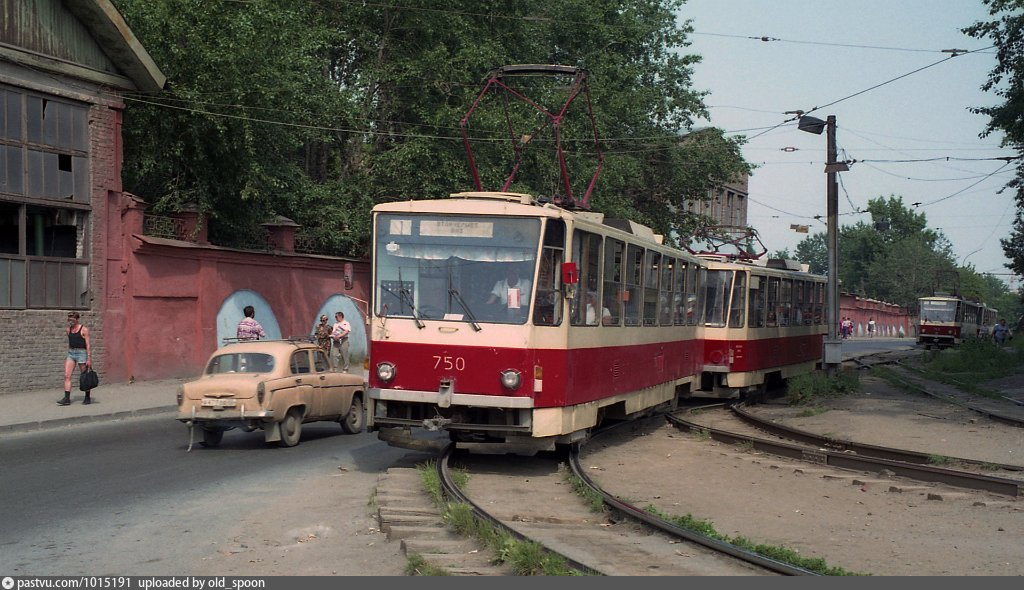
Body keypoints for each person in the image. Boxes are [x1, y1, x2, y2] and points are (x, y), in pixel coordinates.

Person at [59, 311, 92, 406]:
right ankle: (66, 398)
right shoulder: (68, 330)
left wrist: (88, 358)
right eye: (69, 320)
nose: (70, 322)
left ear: (77, 319)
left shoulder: (84, 329)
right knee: (67, 375)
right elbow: (70, 342)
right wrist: (70, 351)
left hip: (82, 353)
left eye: (72, 320)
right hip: (71, 353)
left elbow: (88, 344)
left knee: (84, 376)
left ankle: (87, 397)